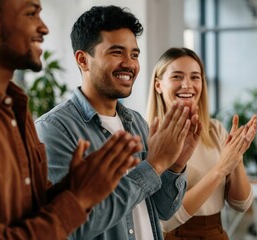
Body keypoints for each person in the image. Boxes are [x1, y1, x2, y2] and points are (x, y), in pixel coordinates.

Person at [0, 0, 142, 239]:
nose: (44, 28)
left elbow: (32, 210)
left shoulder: (16, 109)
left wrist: (74, 186)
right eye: (31, 14)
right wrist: (79, 198)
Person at [35, 5, 204, 240]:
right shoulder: (53, 130)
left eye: (134, 54)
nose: (130, 64)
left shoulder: (136, 123)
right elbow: (71, 227)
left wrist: (175, 166)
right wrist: (154, 165)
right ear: (83, 60)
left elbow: (163, 210)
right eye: (117, 52)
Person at [146, 47, 257, 240]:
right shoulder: (150, 136)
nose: (187, 85)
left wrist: (235, 156)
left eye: (195, 77)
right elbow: (167, 218)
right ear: (158, 85)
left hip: (216, 233)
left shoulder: (215, 130)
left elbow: (242, 204)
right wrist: (220, 169)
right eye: (177, 77)